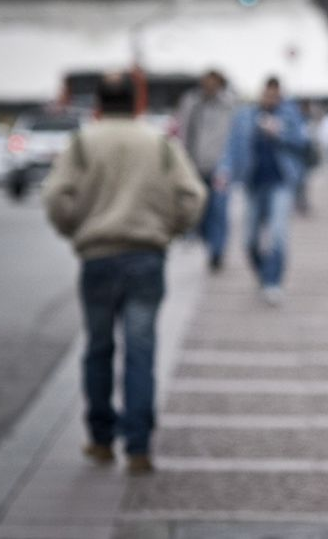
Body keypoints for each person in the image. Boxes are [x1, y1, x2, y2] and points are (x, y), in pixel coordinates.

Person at [42, 74, 206, 474]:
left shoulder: (83, 143)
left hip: (98, 255)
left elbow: (54, 195)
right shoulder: (158, 144)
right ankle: (138, 445)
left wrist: (75, 229)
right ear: (136, 103)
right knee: (141, 350)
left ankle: (100, 439)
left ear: (98, 103)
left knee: (98, 348)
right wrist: (170, 229)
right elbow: (193, 195)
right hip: (146, 256)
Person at [215, 77, 310, 306]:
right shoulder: (246, 115)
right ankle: (263, 273)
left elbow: (304, 142)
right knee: (249, 240)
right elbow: (232, 146)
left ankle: (273, 281)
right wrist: (224, 170)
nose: (270, 99)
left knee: (278, 234)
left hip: (281, 182)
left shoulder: (289, 114)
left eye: (275, 95)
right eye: (267, 94)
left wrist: (280, 132)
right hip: (253, 183)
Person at [175, 69, 236, 272]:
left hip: (220, 166)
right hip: (195, 164)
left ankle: (217, 252)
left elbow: (233, 136)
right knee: (199, 209)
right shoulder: (191, 102)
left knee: (219, 210)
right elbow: (183, 131)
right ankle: (202, 239)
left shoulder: (228, 104)